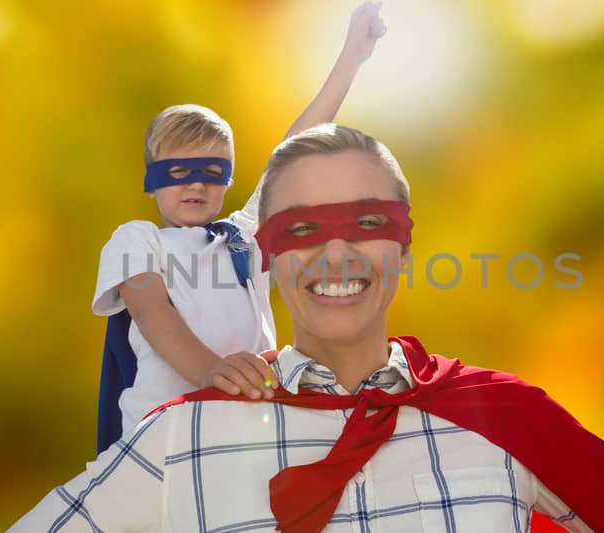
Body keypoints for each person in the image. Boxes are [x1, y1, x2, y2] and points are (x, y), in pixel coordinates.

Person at [16, 124, 604, 532]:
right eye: (303, 228)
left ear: (403, 248)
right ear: (268, 258)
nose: (336, 253)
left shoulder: (504, 418)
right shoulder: (182, 436)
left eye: (366, 222)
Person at [92, 2, 387, 452]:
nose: (194, 184)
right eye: (177, 172)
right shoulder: (137, 239)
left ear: (227, 180)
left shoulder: (243, 238)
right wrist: (212, 371)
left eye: (210, 171)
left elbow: (296, 148)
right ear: (151, 182)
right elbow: (153, 311)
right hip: (162, 441)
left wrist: (352, 56)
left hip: (250, 431)